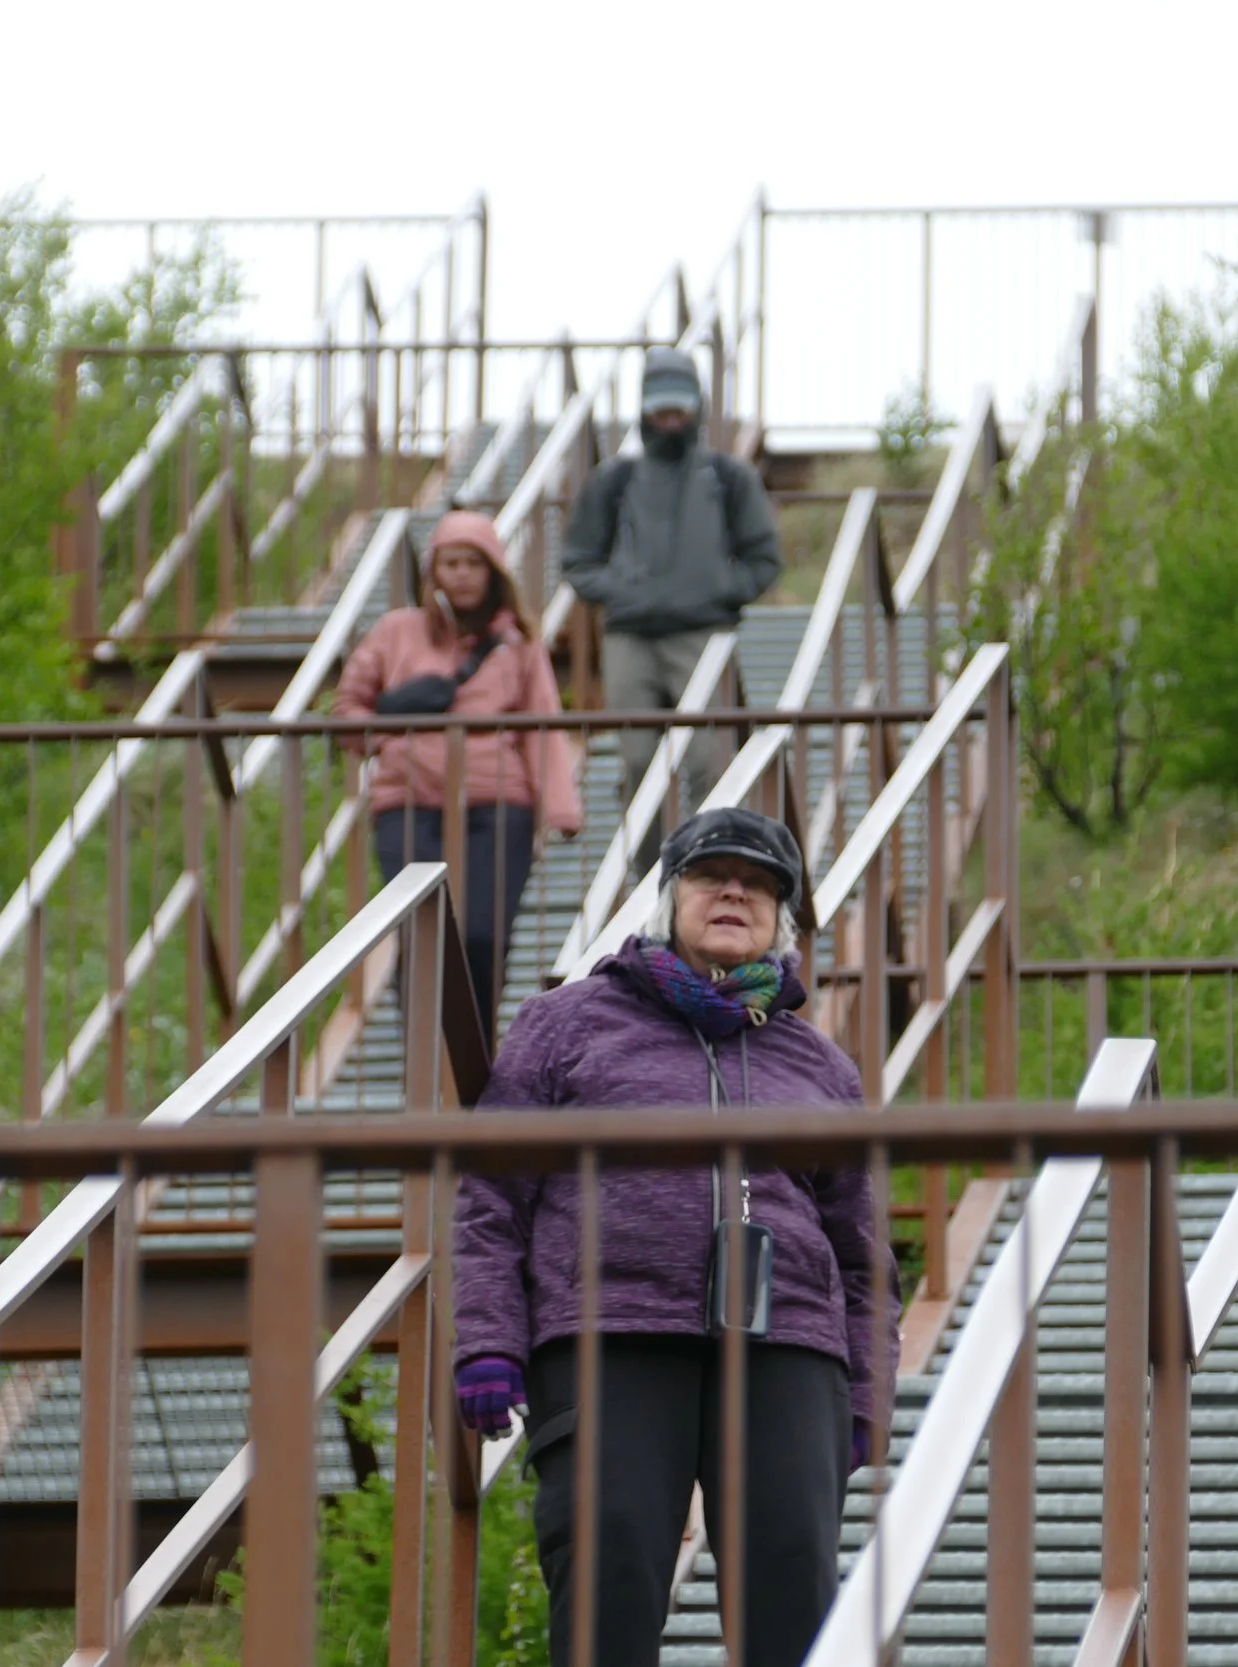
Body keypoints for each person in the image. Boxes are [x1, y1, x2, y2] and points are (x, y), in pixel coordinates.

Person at [449, 806, 899, 1667]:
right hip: (606, 1331)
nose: (735, 890)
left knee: (795, 1582)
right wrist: (487, 1339)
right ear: (666, 898)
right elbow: (490, 1196)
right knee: (606, 1565)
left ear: (782, 918)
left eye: (762, 883)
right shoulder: (566, 1024)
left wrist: (866, 1390)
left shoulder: (820, 1065)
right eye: (710, 874)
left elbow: (862, 1248)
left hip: (788, 1345)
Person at [333, 509, 582, 1041]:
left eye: (474, 562)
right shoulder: (395, 632)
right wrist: (388, 729)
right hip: (408, 799)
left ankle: (475, 1058)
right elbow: (348, 713)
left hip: (498, 802)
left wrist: (559, 806)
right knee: (421, 930)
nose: (463, 574)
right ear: (433, 572)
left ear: (494, 571)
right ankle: (420, 1063)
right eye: (451, 562)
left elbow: (542, 724)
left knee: (483, 933)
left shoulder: (518, 643)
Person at [562, 348, 782, 875]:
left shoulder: (728, 478)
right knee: (638, 762)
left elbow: (764, 558)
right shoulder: (614, 480)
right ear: (643, 410)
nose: (670, 418)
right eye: (660, 407)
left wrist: (720, 591)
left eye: (679, 407)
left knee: (711, 761)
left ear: (696, 408)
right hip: (630, 638)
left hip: (705, 633)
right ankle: (652, 879)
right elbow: (577, 561)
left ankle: (714, 868)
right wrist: (622, 591)